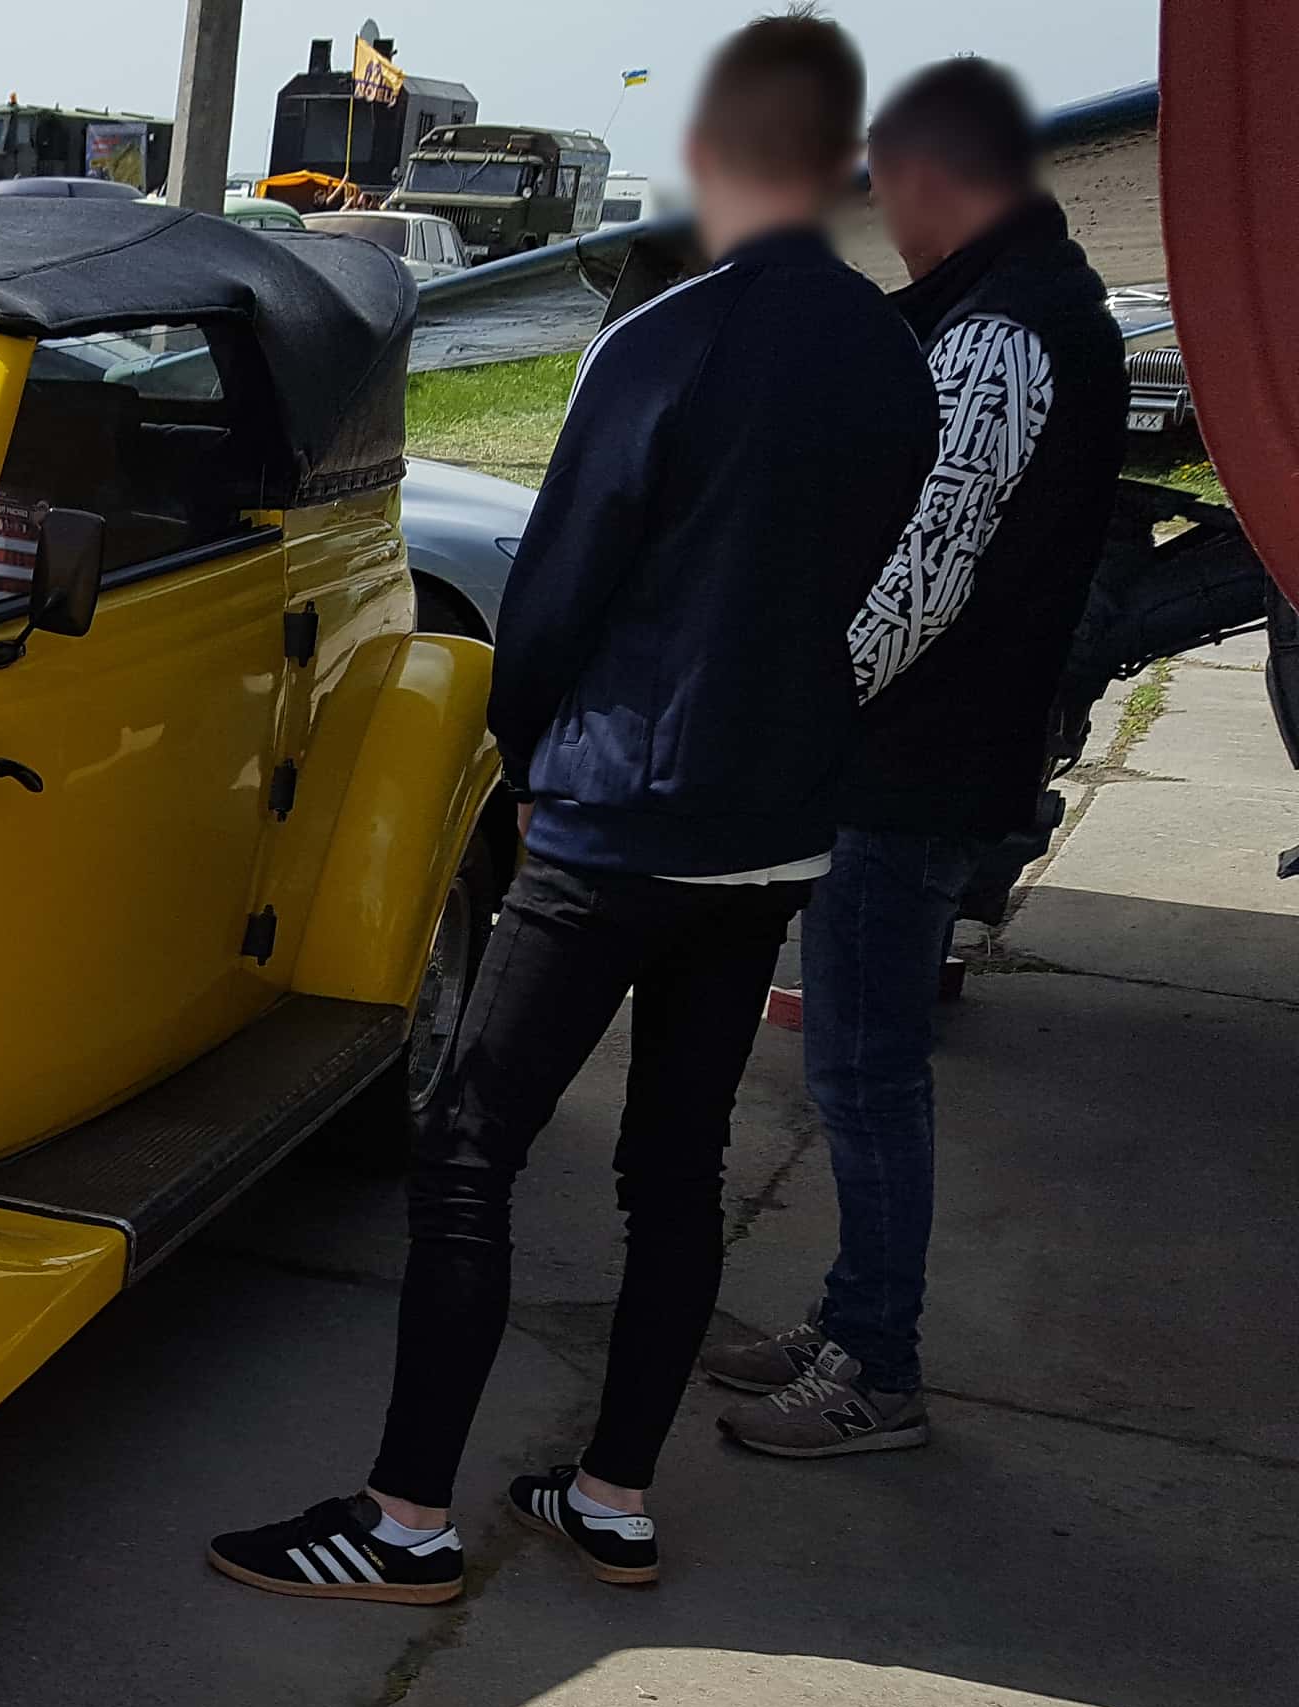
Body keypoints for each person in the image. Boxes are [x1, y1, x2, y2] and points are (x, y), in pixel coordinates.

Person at [207, 14, 936, 1603]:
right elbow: (859, 571)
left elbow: (552, 596)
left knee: (471, 1144)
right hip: (773, 825)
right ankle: (612, 1495)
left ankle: (404, 1520)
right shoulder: (892, 356)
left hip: (617, 808)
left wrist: (531, 765)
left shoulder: (664, 340)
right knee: (674, 1167)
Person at [705, 60, 1130, 1458]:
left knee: (867, 1074)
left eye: (887, 186)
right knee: (862, 1066)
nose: (883, 216)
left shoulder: (1006, 333)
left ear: (943, 175)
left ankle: (876, 1367)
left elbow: (919, 578)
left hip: (911, 766)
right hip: (932, 756)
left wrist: (789, 722)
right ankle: (850, 1320)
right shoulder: (1017, 305)